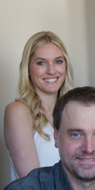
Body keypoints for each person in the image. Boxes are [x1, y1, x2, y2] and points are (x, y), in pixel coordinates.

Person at [5, 31, 74, 180]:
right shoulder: (18, 112)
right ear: (28, 69)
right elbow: (33, 182)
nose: (51, 70)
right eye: (41, 63)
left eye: (58, 61)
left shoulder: (72, 113)